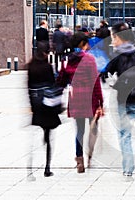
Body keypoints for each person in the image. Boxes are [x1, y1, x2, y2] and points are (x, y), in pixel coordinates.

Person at [100, 22, 135, 179]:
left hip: (122, 100)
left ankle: (128, 167)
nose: (112, 41)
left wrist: (114, 84)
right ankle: (134, 157)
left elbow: (104, 74)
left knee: (124, 135)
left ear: (119, 38)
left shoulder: (117, 57)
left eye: (114, 38)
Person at [57, 32, 104, 173]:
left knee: (80, 130)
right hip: (90, 99)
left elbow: (61, 81)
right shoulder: (89, 59)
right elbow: (96, 82)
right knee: (94, 127)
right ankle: (90, 153)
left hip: (76, 98)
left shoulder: (67, 61)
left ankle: (79, 159)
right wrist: (101, 101)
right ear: (83, 44)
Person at [27, 41, 61, 177]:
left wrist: (32, 105)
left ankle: (30, 167)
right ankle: (47, 167)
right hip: (47, 104)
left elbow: (28, 86)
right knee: (48, 136)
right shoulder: (47, 67)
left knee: (37, 134)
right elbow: (53, 84)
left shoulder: (30, 66)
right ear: (46, 53)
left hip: (36, 103)